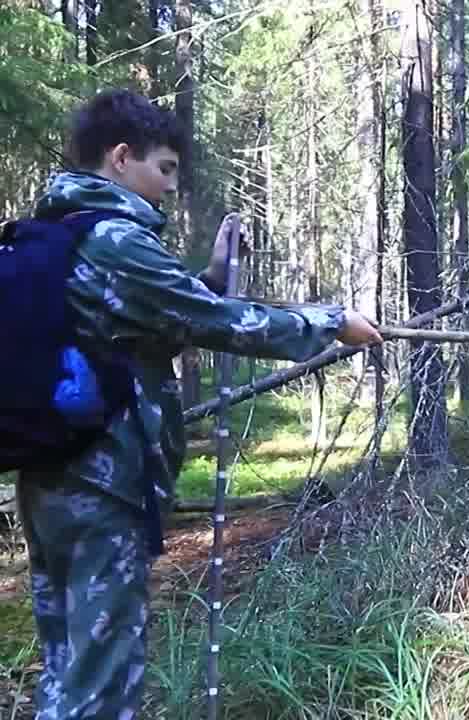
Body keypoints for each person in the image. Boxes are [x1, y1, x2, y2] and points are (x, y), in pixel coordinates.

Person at [15, 88, 383, 719]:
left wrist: (212, 273)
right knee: (102, 679)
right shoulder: (117, 242)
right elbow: (219, 322)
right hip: (106, 488)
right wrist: (329, 322)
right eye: (164, 169)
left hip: (51, 480)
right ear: (122, 158)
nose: (168, 187)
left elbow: (160, 311)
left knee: (66, 666)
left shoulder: (60, 233)